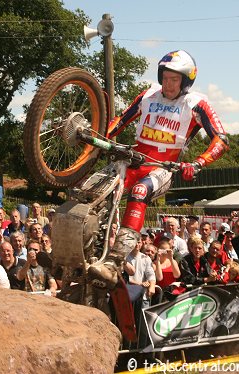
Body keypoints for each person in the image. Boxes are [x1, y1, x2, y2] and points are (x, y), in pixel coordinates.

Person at [88, 50, 229, 287]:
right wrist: (102, 139)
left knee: (140, 192)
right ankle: (72, 247)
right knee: (90, 188)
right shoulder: (148, 95)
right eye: (165, 77)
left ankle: (114, 263)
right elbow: (121, 120)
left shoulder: (196, 103)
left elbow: (222, 139)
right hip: (134, 158)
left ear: (186, 81)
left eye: (175, 79)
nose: (168, 83)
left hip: (164, 167)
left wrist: (197, 163)